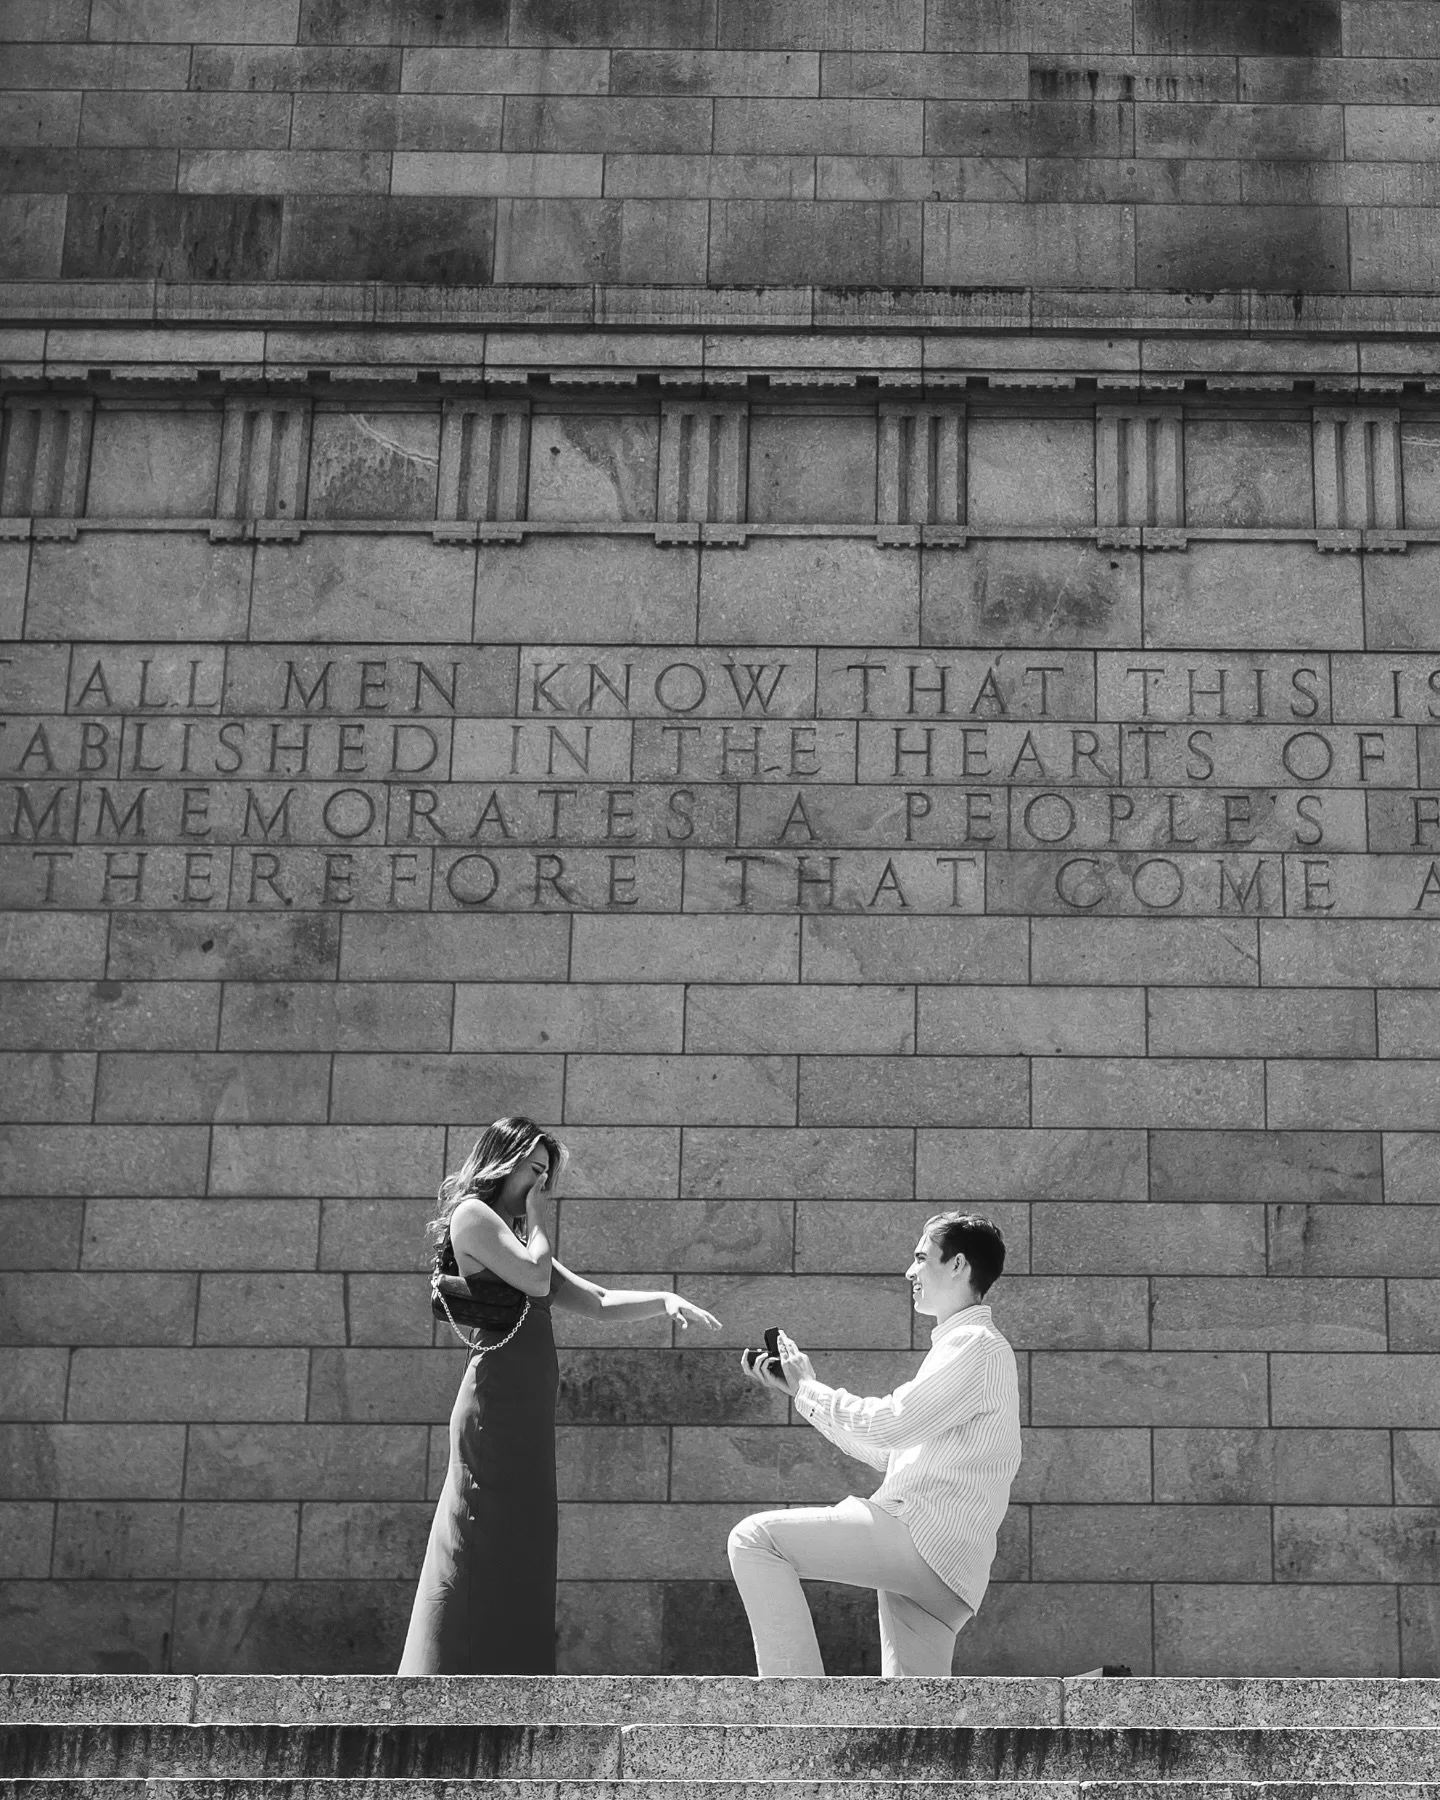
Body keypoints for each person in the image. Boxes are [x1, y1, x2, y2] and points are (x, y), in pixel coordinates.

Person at [398, 1114, 721, 1674]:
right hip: (494, 1406)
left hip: (527, 1412)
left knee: (524, 1534)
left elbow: (593, 1300)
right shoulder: (475, 1217)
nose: (540, 1185)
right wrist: (541, 1219)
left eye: (546, 1176)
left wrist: (664, 1299)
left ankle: (510, 1672)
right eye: (534, 1171)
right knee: (479, 1531)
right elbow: (537, 1279)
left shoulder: (519, 1235)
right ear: (505, 1162)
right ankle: (448, 1672)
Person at [728, 1211, 1021, 1678]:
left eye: (922, 1257)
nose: (910, 1271)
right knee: (913, 1721)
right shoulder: (970, 1346)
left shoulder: (975, 1344)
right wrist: (801, 1391)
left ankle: (797, 1714)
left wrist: (810, 1388)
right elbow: (889, 1452)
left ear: (958, 1265)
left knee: (755, 1540)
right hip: (947, 1574)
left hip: (923, 1540)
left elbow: (888, 1425)